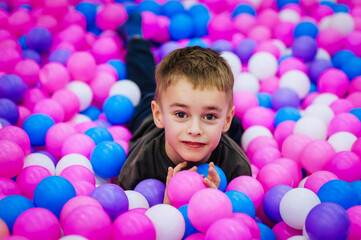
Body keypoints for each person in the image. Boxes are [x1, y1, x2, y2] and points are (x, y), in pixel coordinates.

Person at [114, 12, 251, 202]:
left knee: (235, 126)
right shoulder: (141, 162)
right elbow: (126, 208)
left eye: (209, 117)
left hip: (219, 126)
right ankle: (136, 37)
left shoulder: (236, 167)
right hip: (146, 119)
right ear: (159, 115)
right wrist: (167, 207)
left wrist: (215, 201)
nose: (194, 130)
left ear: (225, 120)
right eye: (181, 114)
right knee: (144, 82)